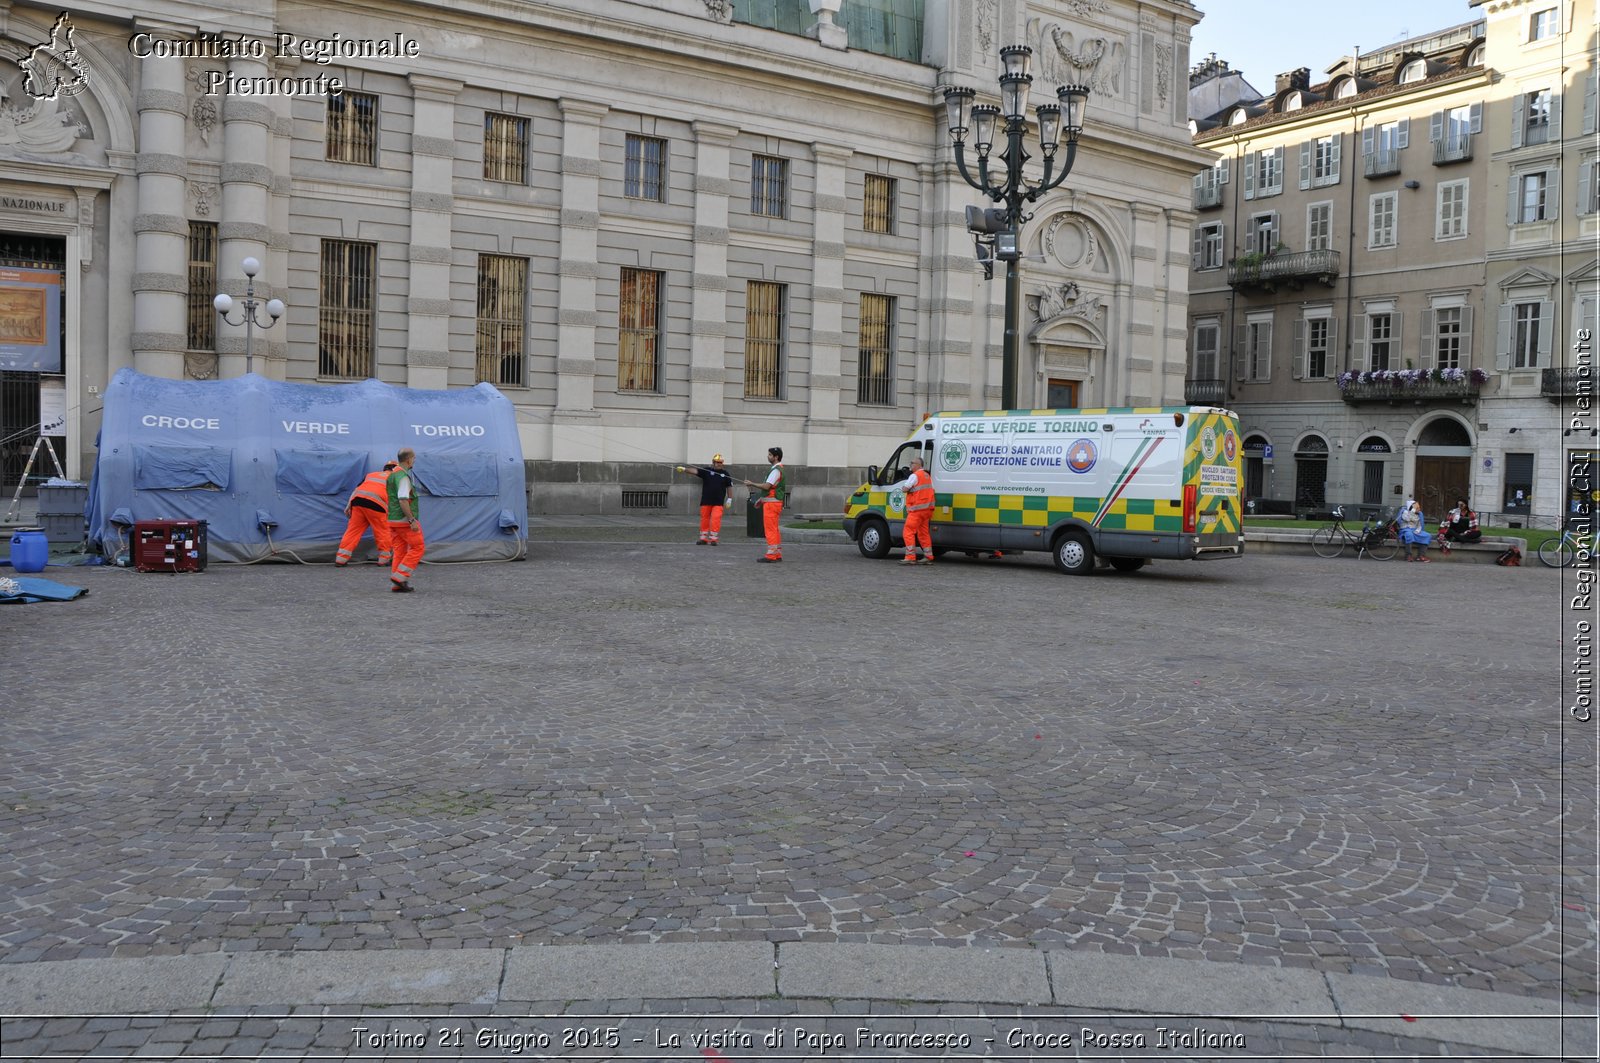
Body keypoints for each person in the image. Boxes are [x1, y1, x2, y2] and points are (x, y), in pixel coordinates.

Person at [335, 461, 397, 567]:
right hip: (376, 504)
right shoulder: (396, 479)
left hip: (358, 502)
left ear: (385, 468)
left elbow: (357, 489)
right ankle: (384, 559)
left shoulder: (371, 475)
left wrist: (349, 505)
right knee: (382, 531)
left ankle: (341, 559)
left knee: (353, 531)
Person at [879, 456, 936, 565]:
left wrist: (907, 486)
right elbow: (932, 490)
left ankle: (910, 556)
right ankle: (928, 556)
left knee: (908, 531)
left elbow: (905, 488)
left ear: (919, 465)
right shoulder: (927, 476)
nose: (911, 465)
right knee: (923, 533)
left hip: (916, 510)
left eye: (912, 463)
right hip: (927, 510)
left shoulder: (914, 475)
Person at [385, 448, 424, 592]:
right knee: (417, 548)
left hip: (392, 520)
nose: (414, 461)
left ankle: (398, 584)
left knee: (399, 551)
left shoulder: (392, 475)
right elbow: (403, 500)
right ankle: (400, 577)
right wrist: (411, 520)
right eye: (414, 459)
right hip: (403, 520)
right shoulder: (403, 477)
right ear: (409, 459)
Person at [676, 454, 734, 545]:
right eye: (717, 462)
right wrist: (684, 469)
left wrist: (730, 498)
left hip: (718, 502)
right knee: (704, 519)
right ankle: (703, 538)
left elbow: (729, 487)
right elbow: (695, 471)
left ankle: (713, 539)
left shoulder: (725, 474)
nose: (719, 464)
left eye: (720, 462)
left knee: (715, 519)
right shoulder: (707, 471)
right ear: (713, 462)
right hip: (706, 501)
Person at [747, 446, 787, 563]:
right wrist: (761, 499)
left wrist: (752, 483)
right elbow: (770, 490)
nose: (768, 456)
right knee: (774, 529)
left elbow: (767, 486)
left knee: (770, 529)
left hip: (772, 505)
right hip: (773, 503)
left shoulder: (775, 470)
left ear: (776, 457)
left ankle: (771, 555)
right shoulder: (778, 469)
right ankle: (777, 553)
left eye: (770, 455)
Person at [1397, 498, 1431, 562]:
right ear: (1411, 508)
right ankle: (1408, 555)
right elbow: (1407, 519)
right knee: (1409, 535)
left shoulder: (1419, 514)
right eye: (1417, 507)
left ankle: (1421, 556)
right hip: (1405, 530)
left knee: (1427, 535)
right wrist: (1412, 512)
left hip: (1415, 530)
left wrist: (1417, 531)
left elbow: (1420, 525)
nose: (1419, 509)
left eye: (1418, 507)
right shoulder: (1405, 512)